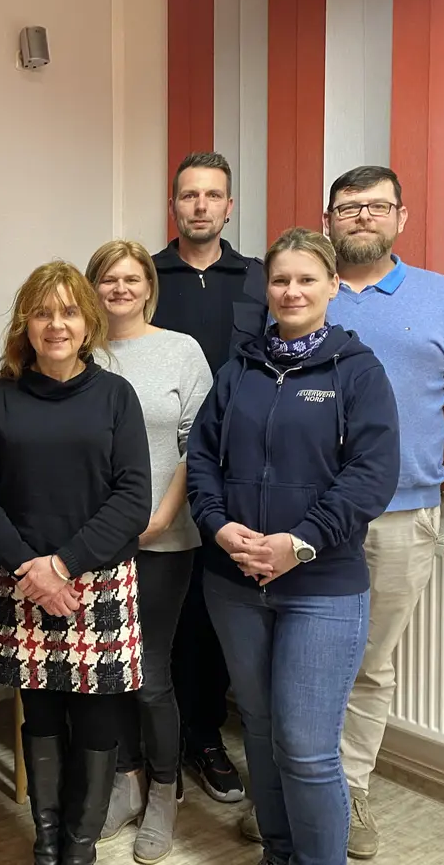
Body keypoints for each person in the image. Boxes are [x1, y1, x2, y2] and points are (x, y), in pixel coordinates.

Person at [186, 227, 401, 865]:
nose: (292, 290)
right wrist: (220, 526)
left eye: (307, 278)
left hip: (321, 589)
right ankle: (278, 853)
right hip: (236, 583)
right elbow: (200, 460)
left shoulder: (357, 372)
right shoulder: (240, 370)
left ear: (334, 286)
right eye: (281, 279)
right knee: (258, 730)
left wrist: (300, 543)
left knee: (306, 748)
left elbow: (371, 476)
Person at [324, 165, 444, 858]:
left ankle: (348, 790)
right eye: (349, 207)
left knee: (370, 664)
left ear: (401, 217)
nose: (362, 218)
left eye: (376, 207)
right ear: (329, 220)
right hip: (308, 520)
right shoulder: (302, 292)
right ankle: (294, 785)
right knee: (300, 656)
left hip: (403, 517)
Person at [0, 261, 152, 865]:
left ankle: (80, 845)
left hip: (95, 582)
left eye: (69, 311)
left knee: (97, 719)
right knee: (40, 714)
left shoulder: (115, 396)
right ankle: (46, 841)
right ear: (26, 321)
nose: (56, 324)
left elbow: (133, 497)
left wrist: (63, 567)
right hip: (22, 581)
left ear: (88, 321)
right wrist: (31, 569)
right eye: (43, 312)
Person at [84, 240, 212, 864]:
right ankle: (125, 781)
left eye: (132, 278)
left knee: (151, 674)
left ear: (149, 287)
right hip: (95, 544)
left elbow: (199, 445)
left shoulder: (181, 352)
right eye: (108, 279)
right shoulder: (79, 353)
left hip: (165, 539)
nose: (121, 289)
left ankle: (166, 790)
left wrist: (164, 514)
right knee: (109, 674)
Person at [151, 151, 265, 802]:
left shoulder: (256, 279)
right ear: (175, 205)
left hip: (235, 478)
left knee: (215, 613)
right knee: (160, 614)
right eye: (188, 194)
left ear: (228, 206)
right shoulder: (146, 275)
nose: (200, 205)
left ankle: (204, 737)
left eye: (212, 194)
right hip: (155, 473)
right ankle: (150, 741)